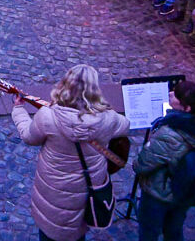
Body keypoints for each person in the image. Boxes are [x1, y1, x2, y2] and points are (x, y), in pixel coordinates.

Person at [13, 64, 130, 241]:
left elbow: (29, 137)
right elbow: (125, 126)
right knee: (77, 232)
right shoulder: (108, 119)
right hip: (85, 190)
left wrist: (18, 109)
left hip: (53, 191)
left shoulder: (48, 116)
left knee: (50, 231)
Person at [132, 81, 195, 241]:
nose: (170, 94)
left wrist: (148, 146)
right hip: (184, 192)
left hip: (158, 195)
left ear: (187, 108)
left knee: (149, 232)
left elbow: (140, 165)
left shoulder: (169, 134)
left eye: (176, 95)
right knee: (174, 230)